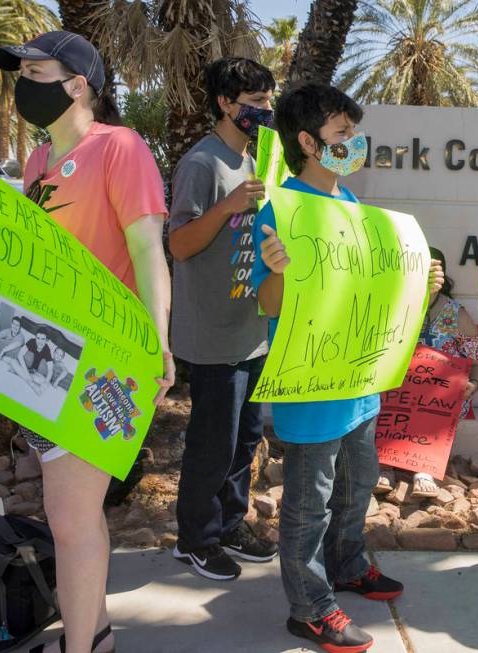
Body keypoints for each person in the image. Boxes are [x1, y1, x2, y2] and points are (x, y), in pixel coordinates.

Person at [0, 31, 173, 653]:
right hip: (42, 359)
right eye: (19, 69)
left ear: (78, 83)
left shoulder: (120, 148)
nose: (22, 80)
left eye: (36, 69)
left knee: (72, 520)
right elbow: (26, 258)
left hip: (101, 362)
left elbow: (147, 251)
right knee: (72, 516)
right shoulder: (35, 164)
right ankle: (92, 634)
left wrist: (158, 342)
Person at [252, 82, 443, 653]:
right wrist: (278, 270)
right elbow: (268, 304)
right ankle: (309, 608)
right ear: (308, 141)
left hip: (359, 384)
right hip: (311, 389)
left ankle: (348, 566)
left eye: (353, 133)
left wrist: (422, 289)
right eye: (342, 133)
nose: (353, 143)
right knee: (309, 500)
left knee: (356, 484)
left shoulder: (353, 206)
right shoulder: (281, 209)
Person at [168, 57, 277, 582]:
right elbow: (181, 243)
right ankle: (195, 540)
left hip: (250, 329)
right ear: (225, 104)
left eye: (266, 101)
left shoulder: (256, 162)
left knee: (244, 439)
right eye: (253, 104)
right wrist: (229, 203)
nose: (263, 111)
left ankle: (230, 524)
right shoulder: (202, 164)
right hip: (212, 335)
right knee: (212, 442)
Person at [377, 246, 478, 497]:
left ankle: (423, 465)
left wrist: (473, 386)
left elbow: (477, 366)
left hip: (438, 400)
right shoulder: (395, 308)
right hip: (399, 393)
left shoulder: (458, 317)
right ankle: (385, 461)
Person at [7, 328, 53, 395]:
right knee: (13, 361)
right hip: (24, 367)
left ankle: (18, 373)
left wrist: (46, 382)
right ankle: (31, 384)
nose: (40, 341)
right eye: (38, 338)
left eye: (43, 339)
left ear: (46, 340)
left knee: (44, 381)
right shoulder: (32, 341)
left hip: (33, 372)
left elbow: (50, 369)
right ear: (35, 337)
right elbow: (20, 355)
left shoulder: (47, 349)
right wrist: (27, 373)